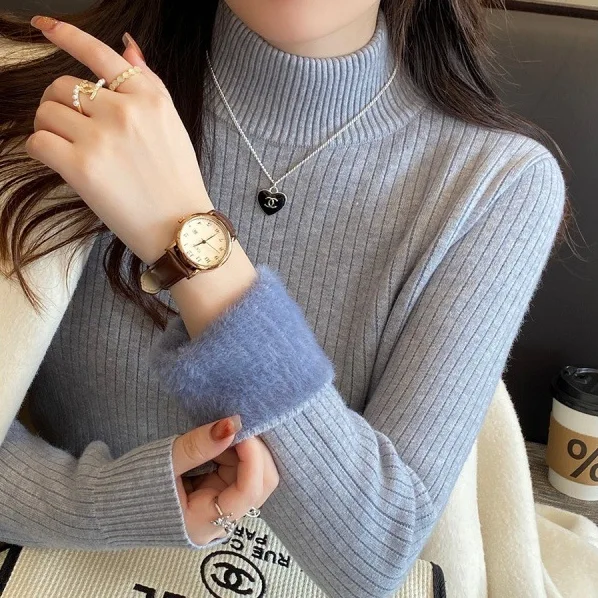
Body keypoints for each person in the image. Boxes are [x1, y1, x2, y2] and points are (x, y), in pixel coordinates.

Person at [0, 1, 571, 597]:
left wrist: (185, 233)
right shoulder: (54, 101)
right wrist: (109, 503)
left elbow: (374, 555)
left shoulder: (496, 182)